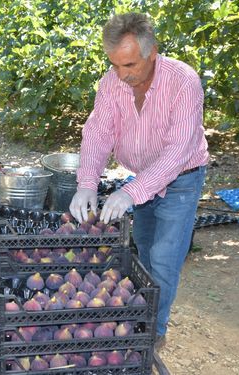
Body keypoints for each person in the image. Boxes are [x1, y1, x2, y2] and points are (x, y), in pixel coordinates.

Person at [69, 12, 209, 349]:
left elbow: (179, 150)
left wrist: (132, 192)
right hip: (141, 179)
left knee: (163, 257)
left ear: (153, 52)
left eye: (129, 65)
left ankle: (153, 332)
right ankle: (142, 312)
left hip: (181, 180)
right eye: (115, 65)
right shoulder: (111, 82)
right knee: (145, 250)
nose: (122, 74)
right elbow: (98, 133)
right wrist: (87, 182)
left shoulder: (183, 82)